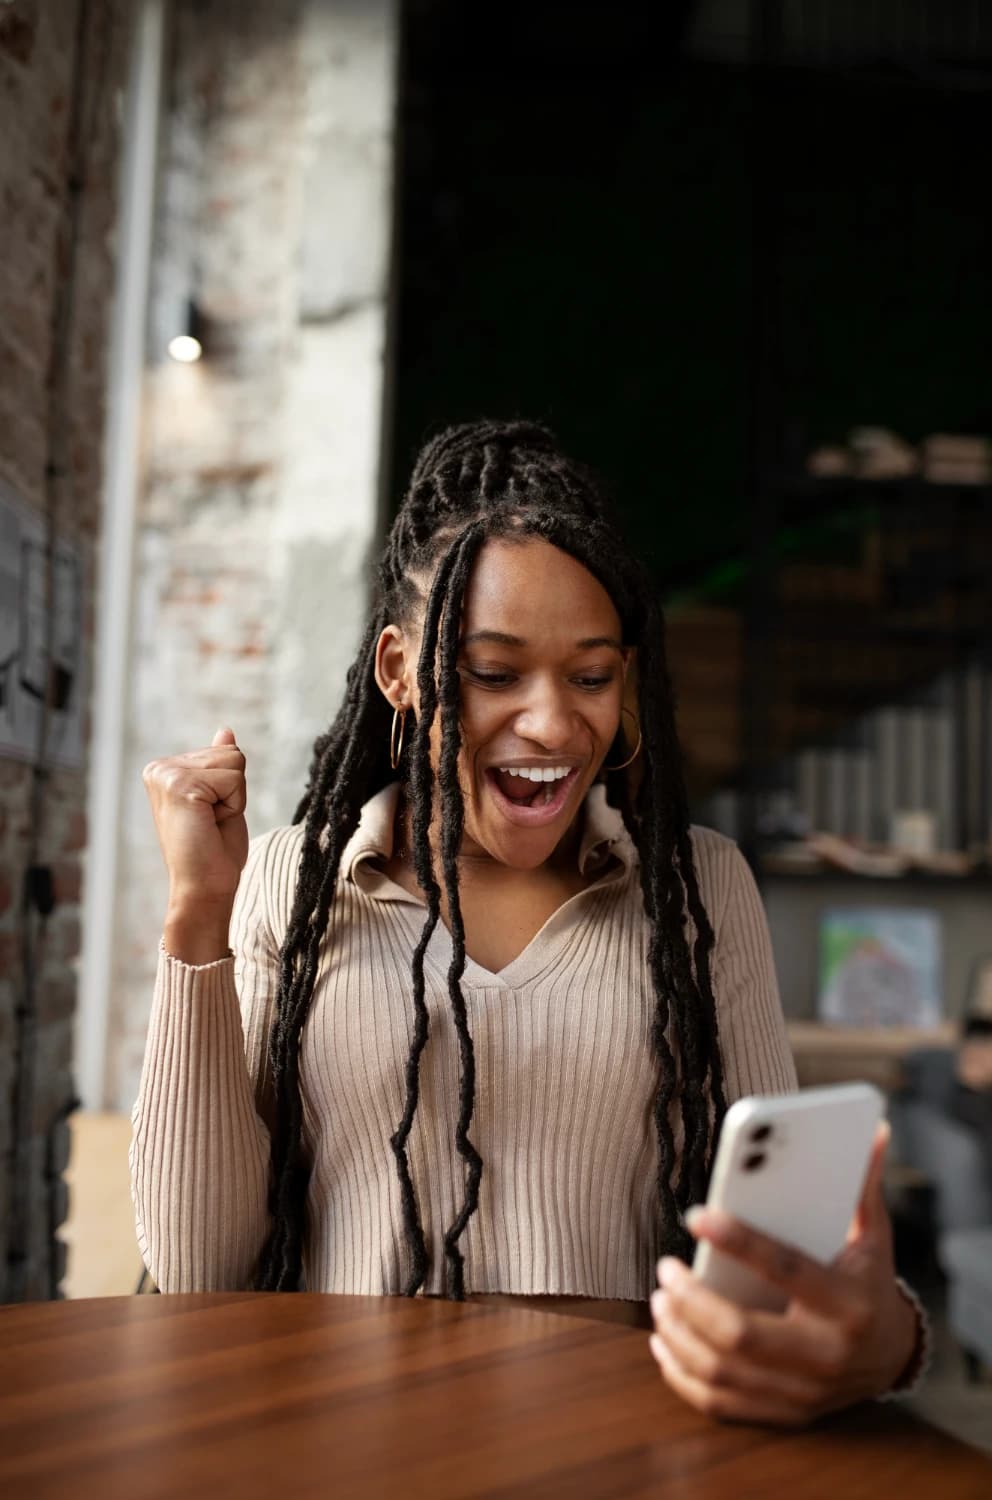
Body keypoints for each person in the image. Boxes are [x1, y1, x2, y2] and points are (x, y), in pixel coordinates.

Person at [133, 419, 926, 1426]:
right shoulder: (295, 881)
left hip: (618, 1446)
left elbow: (778, 1272)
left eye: (589, 676)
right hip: (339, 1441)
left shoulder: (698, 890)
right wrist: (197, 914)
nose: (551, 724)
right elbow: (199, 1266)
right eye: (494, 672)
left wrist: (881, 1339)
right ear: (397, 671)